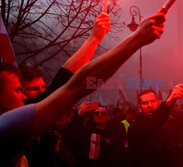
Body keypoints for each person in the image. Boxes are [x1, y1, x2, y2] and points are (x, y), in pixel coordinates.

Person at [0, 10, 167, 165]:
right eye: (17, 90)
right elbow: (76, 86)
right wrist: (136, 39)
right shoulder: (6, 129)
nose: (23, 96)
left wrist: (94, 38)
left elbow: (63, 79)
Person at [128, 86, 183, 167]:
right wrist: (168, 103)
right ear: (139, 108)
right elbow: (152, 123)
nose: (149, 105)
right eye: (145, 103)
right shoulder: (135, 127)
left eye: (152, 101)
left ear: (158, 103)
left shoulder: (166, 122)